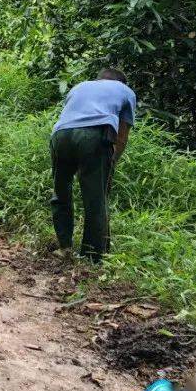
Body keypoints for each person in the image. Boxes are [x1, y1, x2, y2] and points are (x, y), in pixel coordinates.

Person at [50, 68, 136, 262]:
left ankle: (64, 247)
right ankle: (91, 256)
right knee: (95, 198)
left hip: (60, 135)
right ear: (122, 82)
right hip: (93, 136)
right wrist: (112, 162)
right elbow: (122, 137)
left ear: (99, 79)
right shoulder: (126, 92)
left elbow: (70, 115)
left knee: (61, 192)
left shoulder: (80, 86)